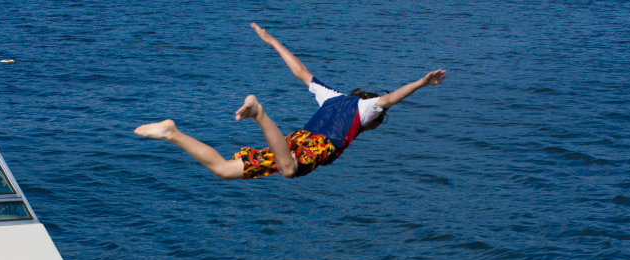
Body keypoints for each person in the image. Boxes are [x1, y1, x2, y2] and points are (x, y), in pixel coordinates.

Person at [134, 23, 446, 180]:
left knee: (225, 170)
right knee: (288, 170)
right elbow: (392, 97)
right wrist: (422, 82)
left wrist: (272, 41)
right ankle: (259, 114)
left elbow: (301, 73)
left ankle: (172, 133)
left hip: (296, 140)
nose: (377, 123)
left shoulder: (332, 96)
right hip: (315, 145)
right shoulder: (367, 109)